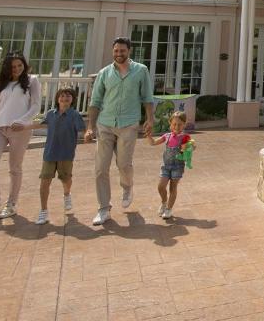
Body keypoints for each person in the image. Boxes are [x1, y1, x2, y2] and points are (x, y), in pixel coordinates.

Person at [84, 36, 154, 226]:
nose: (119, 54)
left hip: (129, 124)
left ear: (129, 51)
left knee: (123, 164)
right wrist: (90, 127)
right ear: (112, 51)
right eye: (116, 51)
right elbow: (95, 102)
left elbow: (147, 97)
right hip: (105, 124)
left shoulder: (141, 71)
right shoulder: (104, 73)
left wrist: (149, 119)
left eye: (122, 51)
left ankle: (127, 186)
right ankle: (103, 208)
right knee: (100, 169)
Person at [0, 52, 42, 219]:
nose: (17, 69)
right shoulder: (3, 83)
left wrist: (22, 121)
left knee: (15, 168)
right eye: (13, 67)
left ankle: (11, 204)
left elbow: (35, 106)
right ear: (7, 68)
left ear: (24, 65)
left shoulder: (32, 80)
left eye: (20, 65)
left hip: (20, 130)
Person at [33, 86, 87, 225]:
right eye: (62, 96)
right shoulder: (51, 114)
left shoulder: (75, 115)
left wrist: (89, 134)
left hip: (66, 154)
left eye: (68, 96)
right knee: (45, 182)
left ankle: (67, 194)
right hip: (50, 153)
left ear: (72, 100)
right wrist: (20, 126)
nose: (64, 98)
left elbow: (83, 130)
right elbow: (39, 124)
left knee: (66, 179)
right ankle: (43, 211)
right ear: (57, 99)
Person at [148, 110, 194, 219]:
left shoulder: (185, 137)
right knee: (161, 186)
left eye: (180, 124)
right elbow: (153, 143)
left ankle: (168, 209)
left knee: (173, 188)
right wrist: (148, 136)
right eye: (174, 124)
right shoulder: (167, 136)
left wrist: (188, 146)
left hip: (177, 167)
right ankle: (164, 202)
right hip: (166, 166)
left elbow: (193, 146)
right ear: (170, 123)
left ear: (184, 124)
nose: (177, 127)